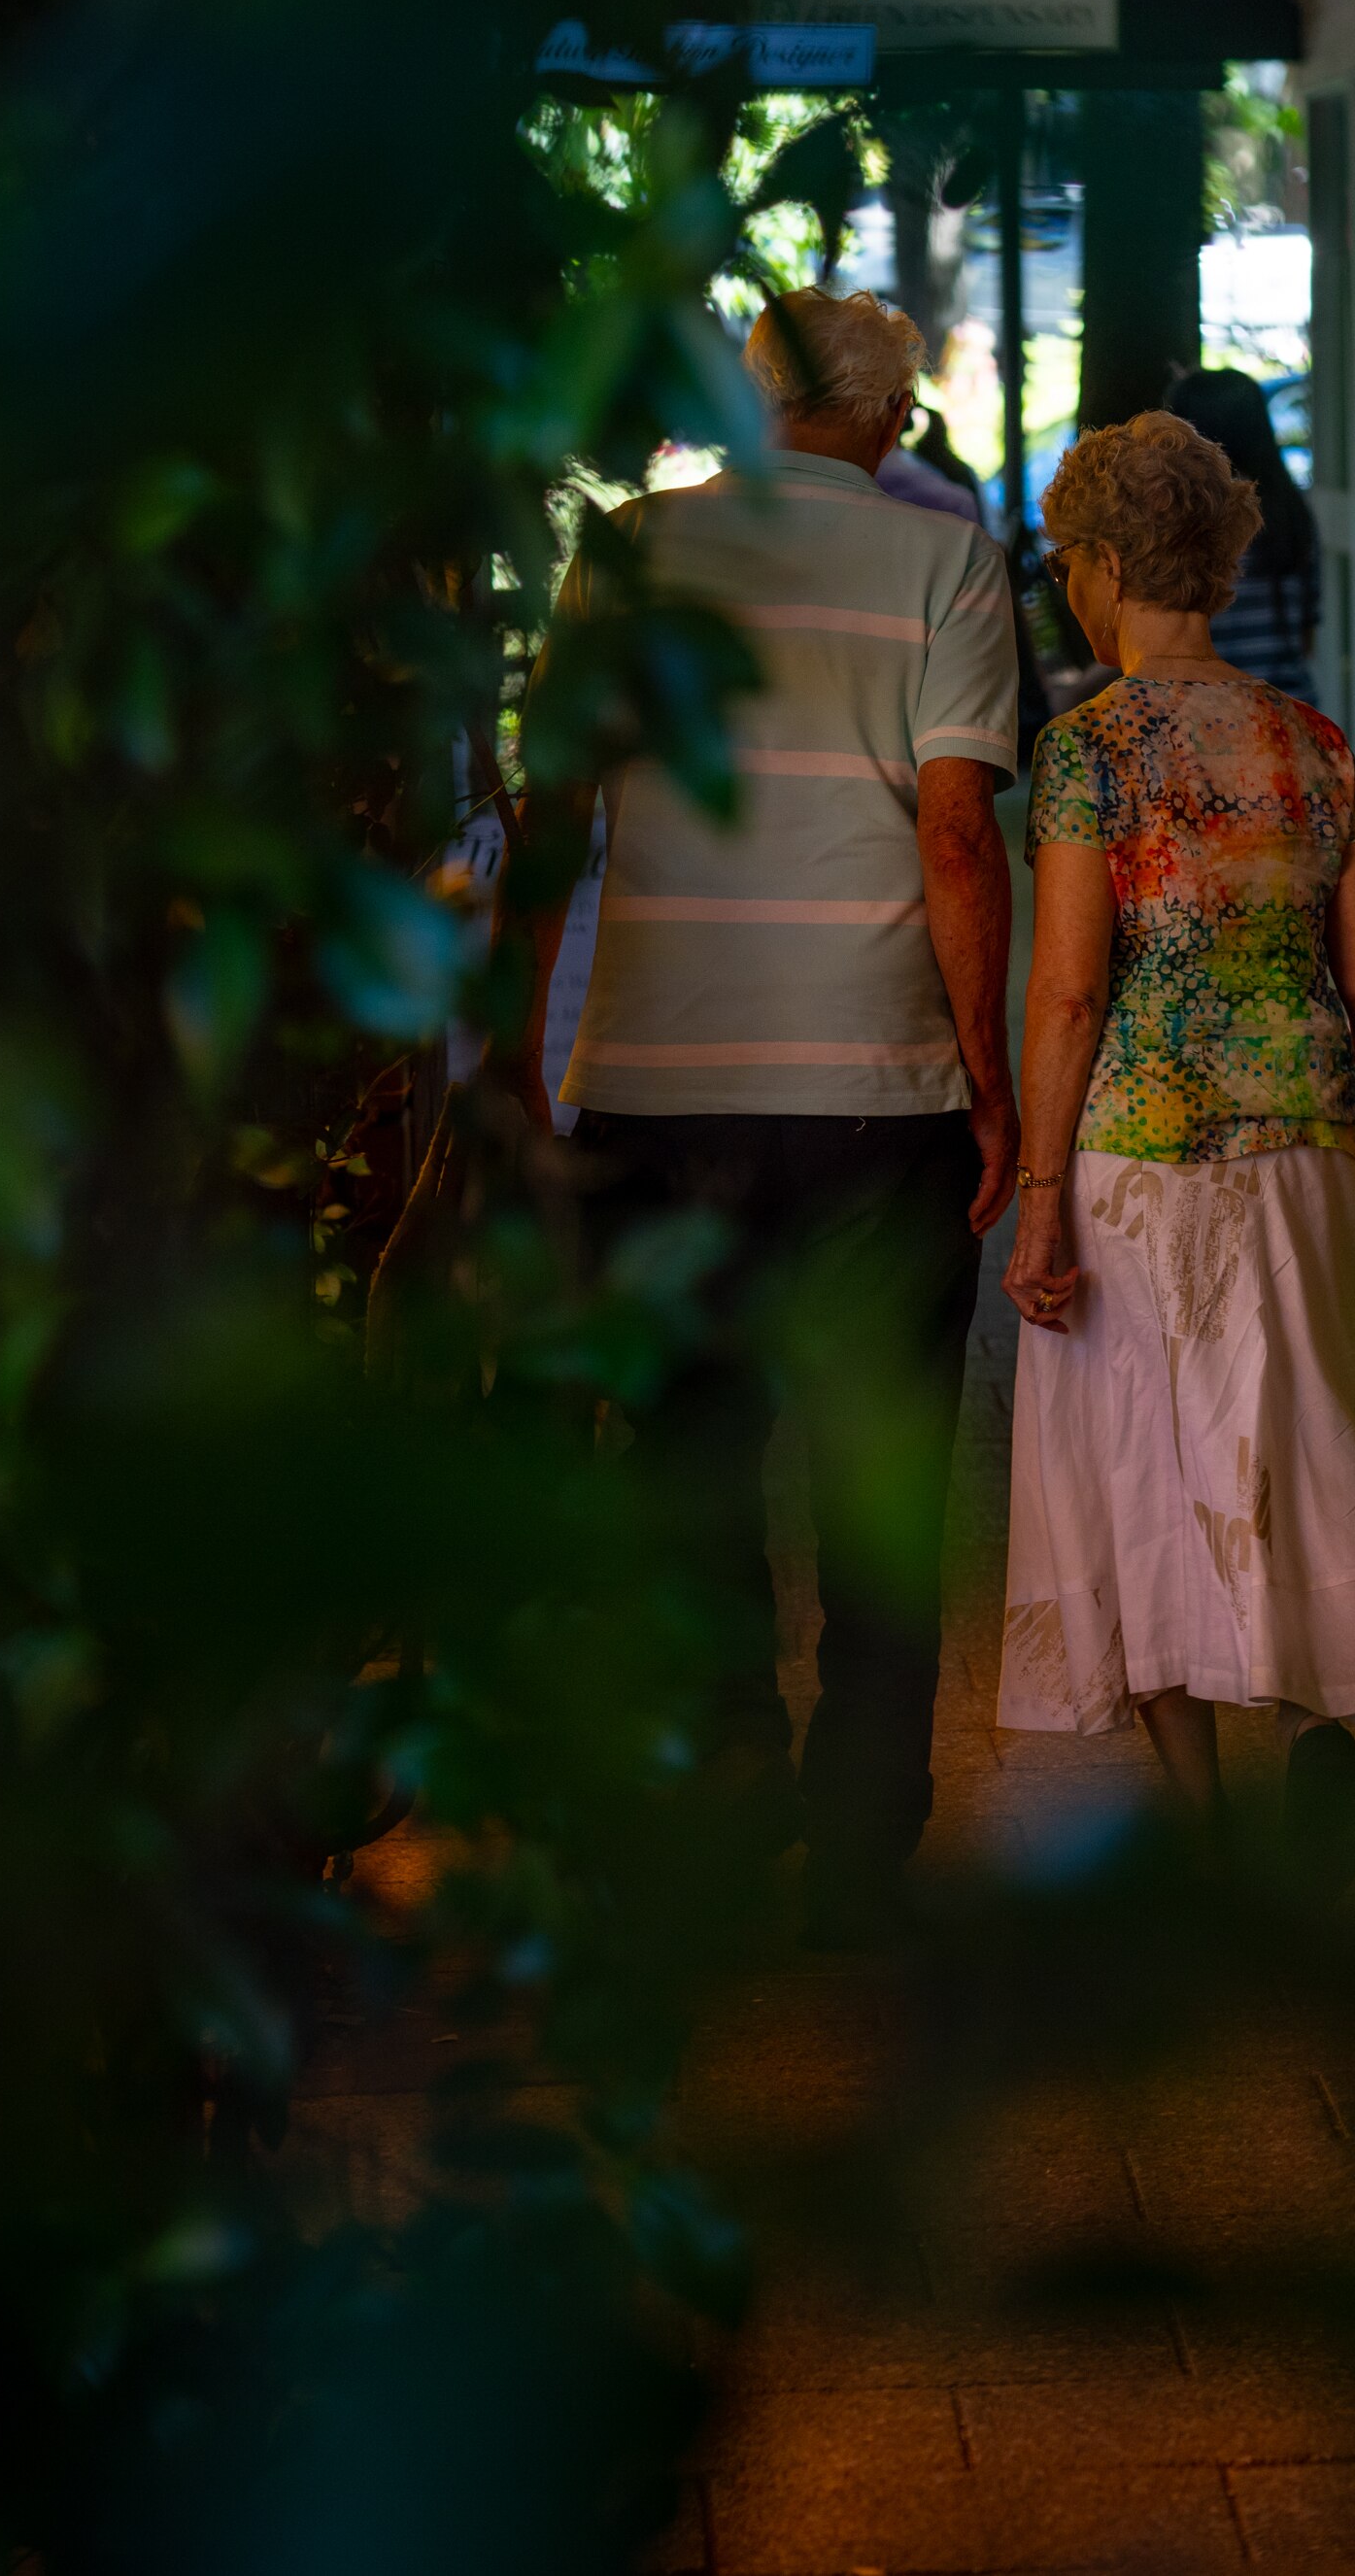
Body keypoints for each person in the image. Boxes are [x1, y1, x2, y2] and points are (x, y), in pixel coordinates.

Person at [519, 287, 1018, 1941]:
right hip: (878, 1089)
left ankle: (721, 1768)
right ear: (890, 420)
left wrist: (524, 1051)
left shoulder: (627, 554)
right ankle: (866, 1826)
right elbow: (956, 834)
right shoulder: (947, 558)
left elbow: (549, 815)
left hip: (657, 1084)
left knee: (688, 1452)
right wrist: (988, 1077)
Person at [996, 408, 1355, 1885]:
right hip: (1299, 1148)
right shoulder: (1310, 743)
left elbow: (1072, 989)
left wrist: (1037, 1204)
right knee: (1310, 1439)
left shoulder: (1090, 753)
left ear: (1098, 567)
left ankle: (1205, 1834)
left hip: (1138, 1162)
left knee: (1142, 1472)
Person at [1169, 367, 1323, 705]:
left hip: (1210, 719)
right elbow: (1306, 636)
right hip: (1293, 714)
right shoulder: (1290, 510)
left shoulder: (1185, 519)